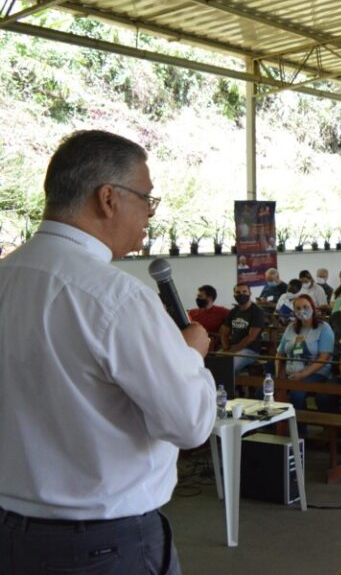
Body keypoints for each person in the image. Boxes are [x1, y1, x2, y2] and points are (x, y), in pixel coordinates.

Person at [0, 130, 214, 574]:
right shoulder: (115, 298)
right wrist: (190, 354)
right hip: (103, 544)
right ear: (108, 199)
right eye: (147, 198)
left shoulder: (6, 278)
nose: (149, 215)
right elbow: (190, 424)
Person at [276, 294, 333, 411]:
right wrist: (278, 375)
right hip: (290, 371)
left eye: (306, 307)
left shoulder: (324, 328)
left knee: (296, 394)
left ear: (313, 308)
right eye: (298, 308)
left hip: (315, 372)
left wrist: (302, 375)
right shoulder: (291, 327)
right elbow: (279, 354)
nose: (302, 310)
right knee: (262, 391)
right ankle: (273, 427)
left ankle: (298, 428)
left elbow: (323, 359)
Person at [222, 282, 267, 373]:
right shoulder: (233, 311)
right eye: (238, 292)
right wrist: (226, 348)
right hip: (232, 348)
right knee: (212, 364)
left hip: (250, 350)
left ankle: (229, 387)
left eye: (244, 292)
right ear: (234, 295)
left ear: (250, 293)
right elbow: (224, 333)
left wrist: (232, 351)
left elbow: (251, 337)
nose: (241, 294)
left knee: (229, 368)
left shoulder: (257, 312)